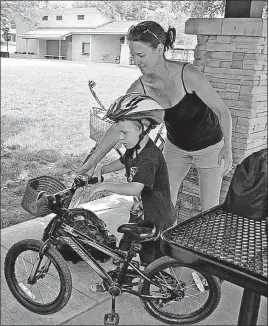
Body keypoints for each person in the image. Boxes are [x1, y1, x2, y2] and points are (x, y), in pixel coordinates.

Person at [78, 20, 233, 213]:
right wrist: (93, 161)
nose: (136, 61)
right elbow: (118, 127)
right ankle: (163, 240)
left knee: (209, 208)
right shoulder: (140, 88)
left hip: (210, 147)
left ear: (159, 49)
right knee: (161, 203)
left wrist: (227, 147)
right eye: (133, 55)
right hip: (176, 147)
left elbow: (222, 111)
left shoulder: (188, 75)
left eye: (141, 55)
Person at [88, 93, 176, 291]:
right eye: (119, 132)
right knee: (124, 250)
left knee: (150, 260)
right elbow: (123, 161)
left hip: (156, 218)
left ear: (143, 127)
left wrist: (105, 186)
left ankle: (167, 289)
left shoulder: (149, 158)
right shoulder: (135, 148)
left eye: (124, 133)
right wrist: (103, 169)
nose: (120, 138)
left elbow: (135, 187)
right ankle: (120, 281)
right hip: (140, 214)